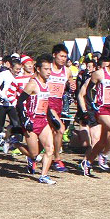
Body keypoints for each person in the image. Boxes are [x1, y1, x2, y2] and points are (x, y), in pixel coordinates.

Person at [81, 52, 110, 176]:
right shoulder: (99, 74)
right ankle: (104, 154)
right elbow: (88, 90)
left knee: (102, 141)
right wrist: (92, 103)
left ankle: (88, 162)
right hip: (102, 109)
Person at [17, 55, 57, 185]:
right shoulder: (32, 84)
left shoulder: (47, 85)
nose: (49, 72)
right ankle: (14, 143)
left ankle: (44, 176)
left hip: (43, 120)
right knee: (34, 154)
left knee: (50, 148)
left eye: (50, 69)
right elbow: (20, 102)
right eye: (46, 69)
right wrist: (24, 119)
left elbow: (46, 104)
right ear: (38, 69)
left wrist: (52, 118)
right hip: (31, 121)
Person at [47, 44, 72, 172]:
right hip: (47, 103)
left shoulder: (67, 71)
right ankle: (57, 159)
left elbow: (70, 82)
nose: (63, 59)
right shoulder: (47, 68)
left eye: (65, 57)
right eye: (61, 56)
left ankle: (39, 157)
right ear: (54, 55)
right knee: (60, 129)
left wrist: (71, 85)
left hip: (58, 103)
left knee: (51, 132)